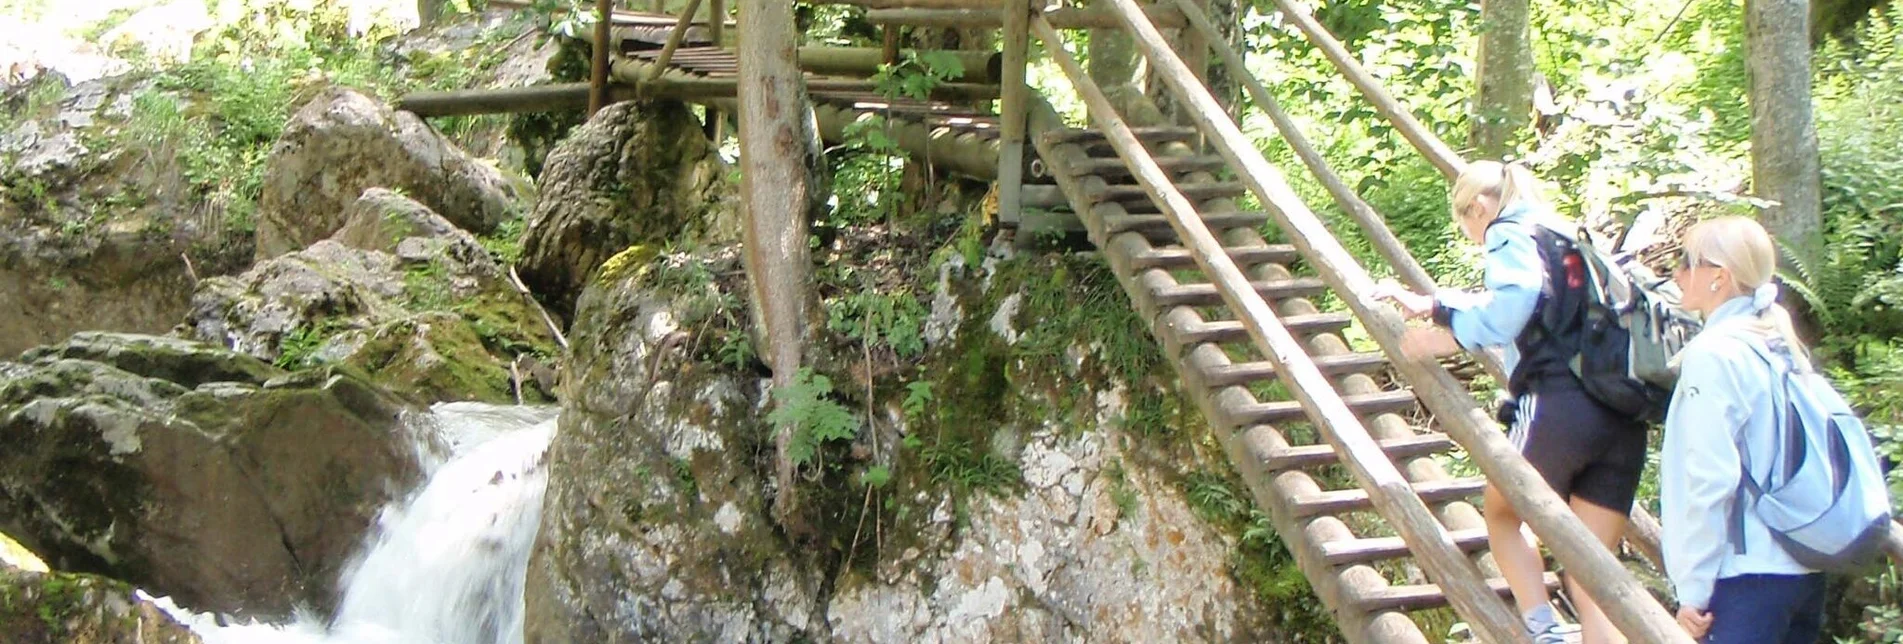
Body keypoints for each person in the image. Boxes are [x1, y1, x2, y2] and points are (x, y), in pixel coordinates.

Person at [1372, 160, 1645, 644]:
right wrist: (1436, 306)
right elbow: (1540, 300)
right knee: (1593, 575)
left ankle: (1544, 630)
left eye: (1469, 228)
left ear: (1477, 207)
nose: (1477, 239)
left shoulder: (1507, 232)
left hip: (1559, 404)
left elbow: (1515, 300)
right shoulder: (1563, 232)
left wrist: (1451, 336)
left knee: (1501, 514)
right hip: (1621, 415)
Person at [1659, 216, 1824, 643]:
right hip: (1803, 567)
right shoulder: (1778, 344)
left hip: (1746, 576)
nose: (1676, 273)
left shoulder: (1715, 355)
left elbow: (1710, 479)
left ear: (1720, 277)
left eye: (1686, 260)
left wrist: (1692, 590)